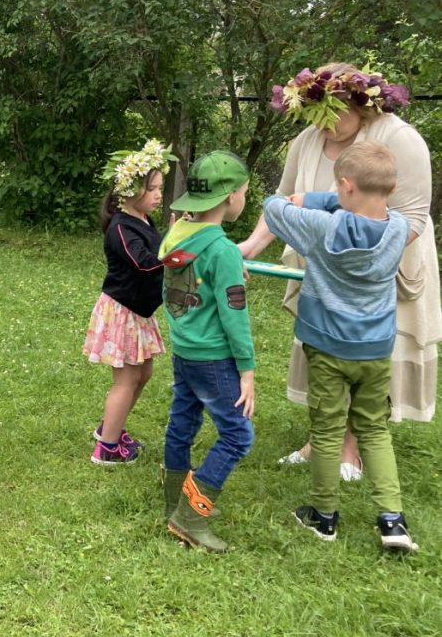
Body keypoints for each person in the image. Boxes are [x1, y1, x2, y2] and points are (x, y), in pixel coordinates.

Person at [238, 64, 440, 480]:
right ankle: (321, 441)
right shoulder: (307, 140)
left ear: (359, 103)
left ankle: (350, 448)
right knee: (329, 352)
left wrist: (356, 259)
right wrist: (250, 248)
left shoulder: (399, 139)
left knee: (363, 355)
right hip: (327, 272)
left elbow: (414, 217)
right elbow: (283, 200)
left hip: (383, 272)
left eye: (330, 113)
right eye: (312, 114)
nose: (321, 124)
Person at [262, 142, 418, 552]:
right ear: (392, 187)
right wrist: (338, 199)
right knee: (374, 430)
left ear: (345, 185)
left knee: (328, 430)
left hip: (327, 349)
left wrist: (310, 198)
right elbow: (366, 208)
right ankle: (392, 521)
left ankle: (324, 516)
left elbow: (273, 208)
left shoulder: (320, 227)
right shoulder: (399, 228)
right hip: (375, 350)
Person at [159, 151, 255, 553]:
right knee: (238, 435)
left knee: (183, 420)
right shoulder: (223, 250)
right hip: (214, 358)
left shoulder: (178, 233)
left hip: (184, 350)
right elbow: (235, 316)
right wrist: (247, 370)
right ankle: (190, 516)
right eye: (245, 192)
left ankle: (173, 500)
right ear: (231, 196)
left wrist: (231, 272)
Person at [84, 141, 176, 465]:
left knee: (144, 372)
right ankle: (107, 448)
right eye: (152, 189)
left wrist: (172, 237)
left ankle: (110, 427)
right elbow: (145, 263)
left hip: (139, 313)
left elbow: (157, 250)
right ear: (130, 190)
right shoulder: (121, 227)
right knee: (126, 379)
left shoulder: (144, 220)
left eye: (160, 188)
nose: (158, 195)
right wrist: (174, 254)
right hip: (122, 312)